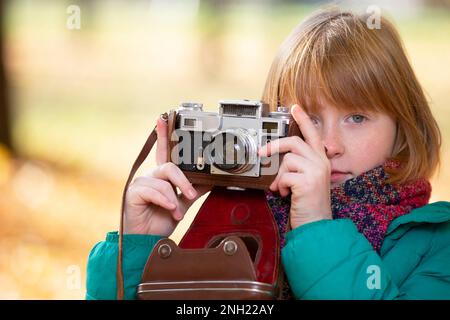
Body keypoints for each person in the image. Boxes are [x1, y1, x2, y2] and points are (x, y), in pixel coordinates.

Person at [86, 7, 450, 300]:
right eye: (308, 118)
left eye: (357, 117)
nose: (329, 145)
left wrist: (316, 228)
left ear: (403, 126)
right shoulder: (234, 218)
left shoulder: (436, 241)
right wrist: (138, 249)